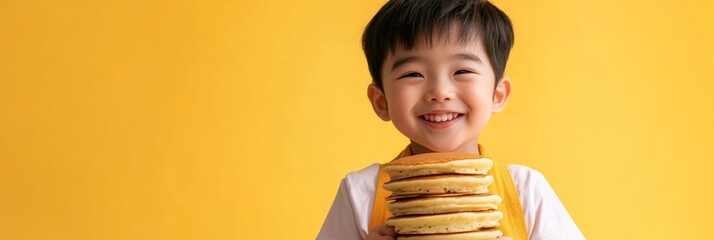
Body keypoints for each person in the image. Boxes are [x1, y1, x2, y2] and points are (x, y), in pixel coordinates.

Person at [317, 0, 585, 239]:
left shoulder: (526, 192)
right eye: (413, 74)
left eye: (462, 70)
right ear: (381, 101)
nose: (439, 92)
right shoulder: (360, 193)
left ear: (498, 94)